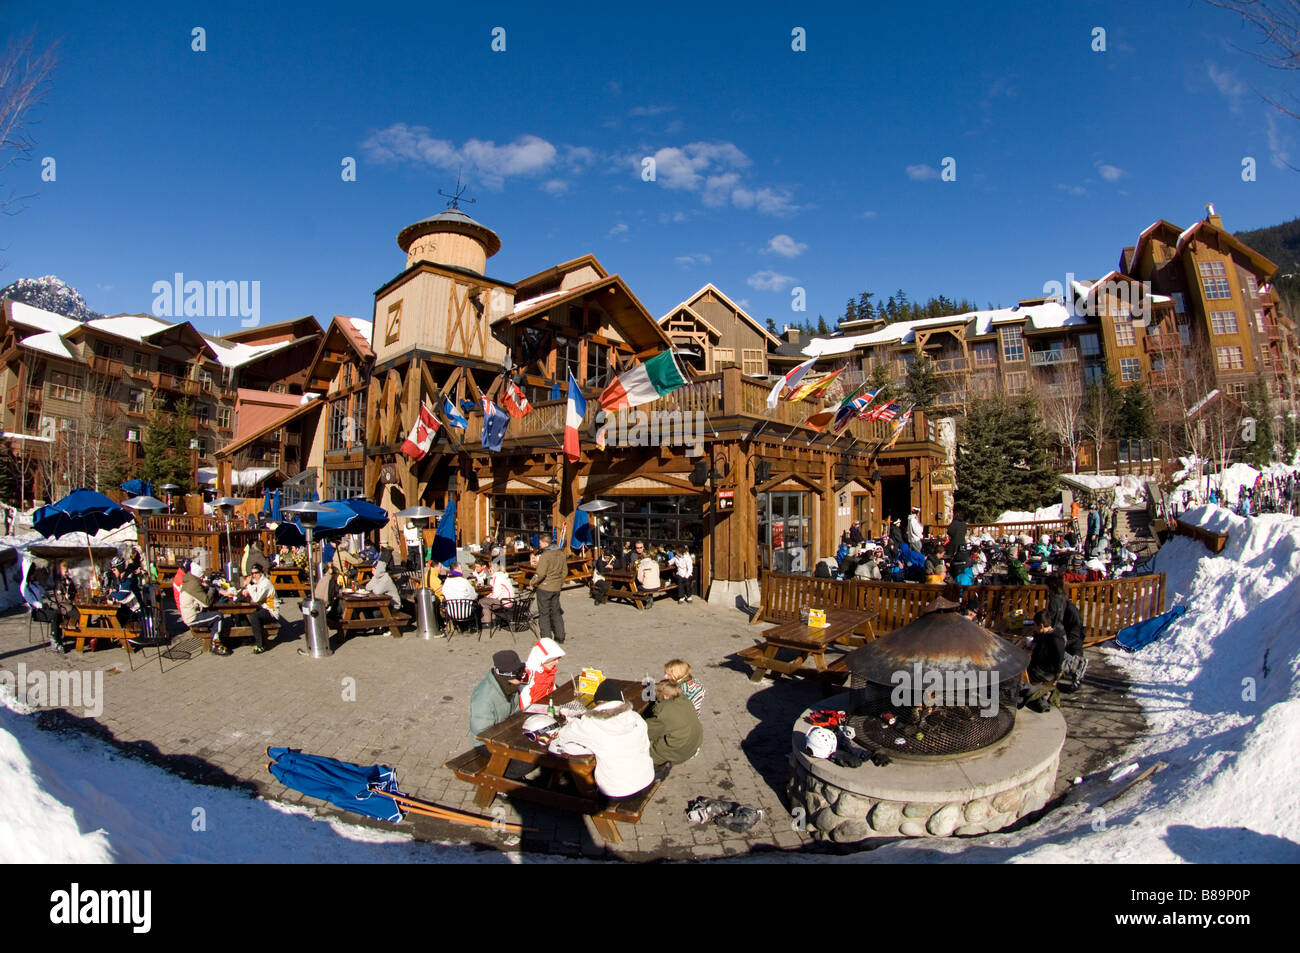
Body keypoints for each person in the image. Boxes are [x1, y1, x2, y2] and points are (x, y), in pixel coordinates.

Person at [548, 680, 655, 799]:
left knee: (579, 766)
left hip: (617, 791)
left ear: (598, 703)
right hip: (647, 779)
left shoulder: (591, 724)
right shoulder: (636, 717)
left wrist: (573, 723)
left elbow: (563, 735)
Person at [643, 679, 703, 780]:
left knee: (639, 748)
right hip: (693, 745)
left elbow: (646, 732)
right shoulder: (684, 700)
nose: (656, 696)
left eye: (658, 694)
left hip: (678, 752)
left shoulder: (663, 711)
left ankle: (659, 769)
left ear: (666, 696)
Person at [469, 650, 526, 741]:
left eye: (522, 670)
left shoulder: (511, 686)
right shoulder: (484, 699)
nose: (522, 676)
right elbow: (482, 733)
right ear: (506, 675)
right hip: (486, 742)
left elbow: (516, 713)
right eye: (518, 673)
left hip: (506, 733)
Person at [178, 561, 233, 655]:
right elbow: (206, 603)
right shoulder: (193, 585)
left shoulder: (189, 582)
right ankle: (215, 643)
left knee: (213, 614)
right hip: (192, 617)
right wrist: (211, 589)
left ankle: (216, 639)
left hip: (191, 613)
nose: (203, 578)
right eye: (202, 577)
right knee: (218, 616)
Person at [1023, 610, 1066, 712]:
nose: (1034, 627)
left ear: (1041, 625)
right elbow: (1037, 641)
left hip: (1045, 672)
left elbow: (1058, 661)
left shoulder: (1055, 639)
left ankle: (1022, 695)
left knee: (1019, 670)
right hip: (1040, 667)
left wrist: (1056, 676)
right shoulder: (1044, 635)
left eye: (1035, 625)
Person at [529, 536, 568, 643]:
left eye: (540, 543)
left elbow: (541, 573)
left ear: (545, 543)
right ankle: (560, 636)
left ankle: (546, 638)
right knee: (556, 611)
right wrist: (559, 583)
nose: (539, 545)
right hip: (556, 587)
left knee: (544, 613)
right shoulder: (561, 554)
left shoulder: (546, 555)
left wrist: (532, 582)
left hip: (545, 587)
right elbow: (564, 571)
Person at [240, 563, 278, 654]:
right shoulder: (260, 582)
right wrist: (247, 589)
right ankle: (246, 638)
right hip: (263, 608)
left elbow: (256, 599)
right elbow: (255, 588)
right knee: (241, 612)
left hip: (271, 611)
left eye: (256, 573)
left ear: (261, 573)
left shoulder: (265, 583)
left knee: (254, 616)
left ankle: (260, 645)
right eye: (252, 573)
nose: (254, 575)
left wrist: (248, 586)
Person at [519, 637, 566, 709]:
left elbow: (553, 692)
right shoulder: (528, 675)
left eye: (558, 658)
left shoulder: (549, 670)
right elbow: (525, 706)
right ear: (543, 659)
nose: (557, 662)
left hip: (547, 707)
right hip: (533, 714)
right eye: (554, 659)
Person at [634, 543, 660, 610]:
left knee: (637, 587)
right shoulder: (655, 563)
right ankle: (650, 598)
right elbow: (658, 574)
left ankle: (647, 599)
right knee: (648, 583)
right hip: (657, 586)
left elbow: (639, 579)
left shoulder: (641, 565)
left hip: (647, 587)